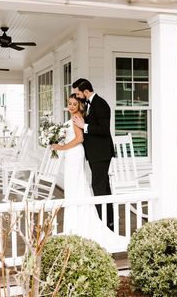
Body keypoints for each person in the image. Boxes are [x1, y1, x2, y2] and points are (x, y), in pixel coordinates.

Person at [51, 94, 126, 251]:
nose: (71, 106)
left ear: (79, 106)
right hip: (70, 154)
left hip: (75, 154)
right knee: (72, 188)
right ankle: (73, 225)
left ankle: (79, 226)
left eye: (74, 104)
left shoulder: (77, 118)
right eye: (69, 103)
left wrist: (61, 148)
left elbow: (79, 139)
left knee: (75, 186)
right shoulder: (73, 117)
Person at [72, 78, 115, 230]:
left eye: (78, 93)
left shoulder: (101, 104)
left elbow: (104, 129)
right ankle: (109, 222)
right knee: (103, 187)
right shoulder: (89, 104)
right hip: (95, 153)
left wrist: (85, 126)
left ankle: (104, 224)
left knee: (98, 187)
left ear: (86, 91)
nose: (77, 96)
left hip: (101, 153)